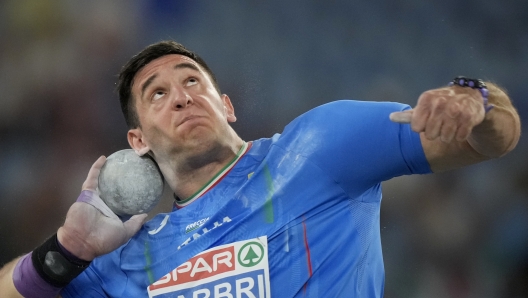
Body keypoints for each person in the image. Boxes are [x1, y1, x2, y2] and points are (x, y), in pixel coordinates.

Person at [0, 40, 521, 298]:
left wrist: (474, 98)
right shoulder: (127, 255)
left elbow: (495, 140)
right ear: (136, 141)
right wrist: (67, 253)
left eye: (192, 82)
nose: (181, 98)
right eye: (156, 94)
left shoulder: (319, 148)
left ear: (226, 105)